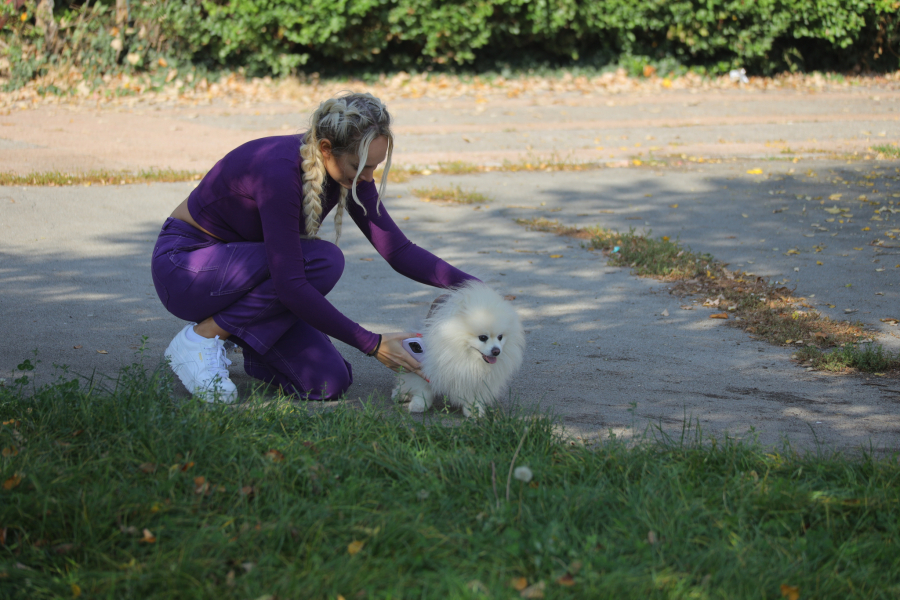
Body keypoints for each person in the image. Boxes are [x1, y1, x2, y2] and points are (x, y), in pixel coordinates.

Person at [150, 92, 478, 403]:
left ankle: (241, 339)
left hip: (247, 280)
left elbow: (398, 250)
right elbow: (290, 284)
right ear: (325, 148)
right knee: (323, 261)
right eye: (359, 165)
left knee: (327, 382)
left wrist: (476, 291)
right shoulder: (278, 171)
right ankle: (202, 339)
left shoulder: (351, 173)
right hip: (187, 269)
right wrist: (373, 344)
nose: (367, 177)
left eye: (373, 167)